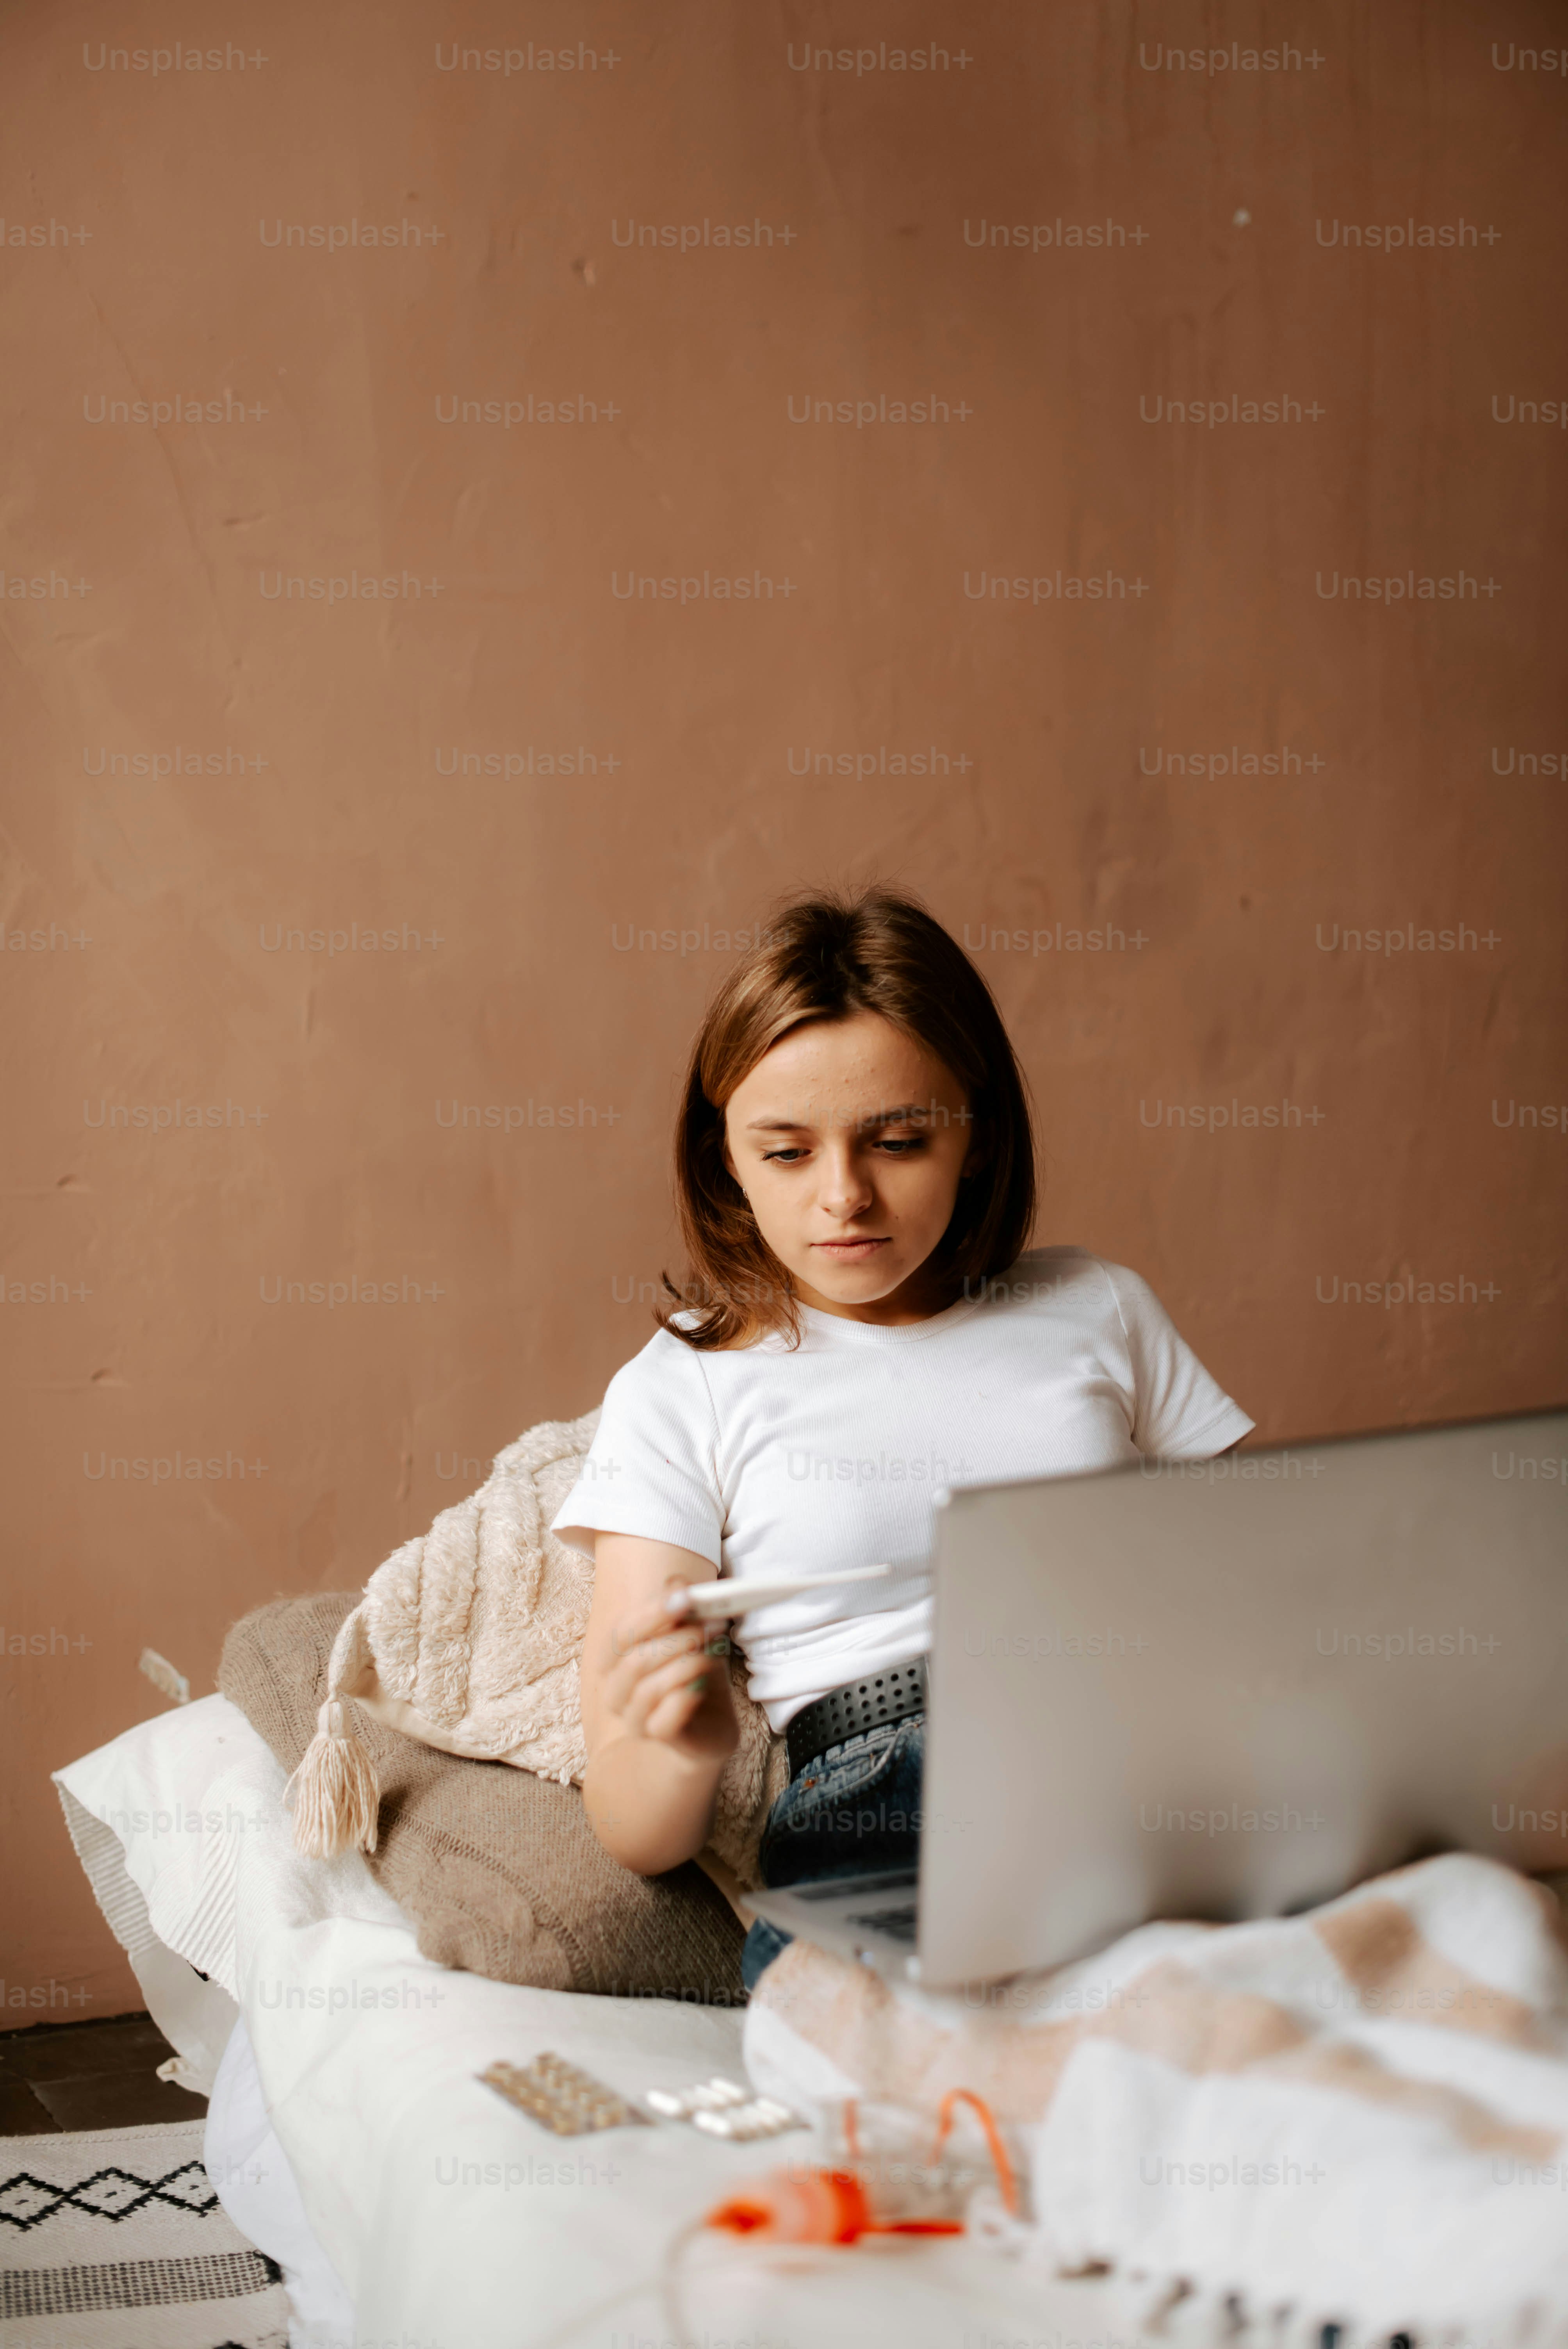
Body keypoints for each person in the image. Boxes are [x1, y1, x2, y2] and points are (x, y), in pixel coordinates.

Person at [552, 887, 1253, 1987]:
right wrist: (684, 1751)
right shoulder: (683, 1386)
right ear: (723, 1156)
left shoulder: (1098, 1306)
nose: (846, 1197)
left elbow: (1278, 1579)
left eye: (899, 1140)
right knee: (878, 2036)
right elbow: (638, 1826)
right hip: (889, 1792)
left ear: (975, 1134)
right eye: (786, 1153)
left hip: (1149, 1754)